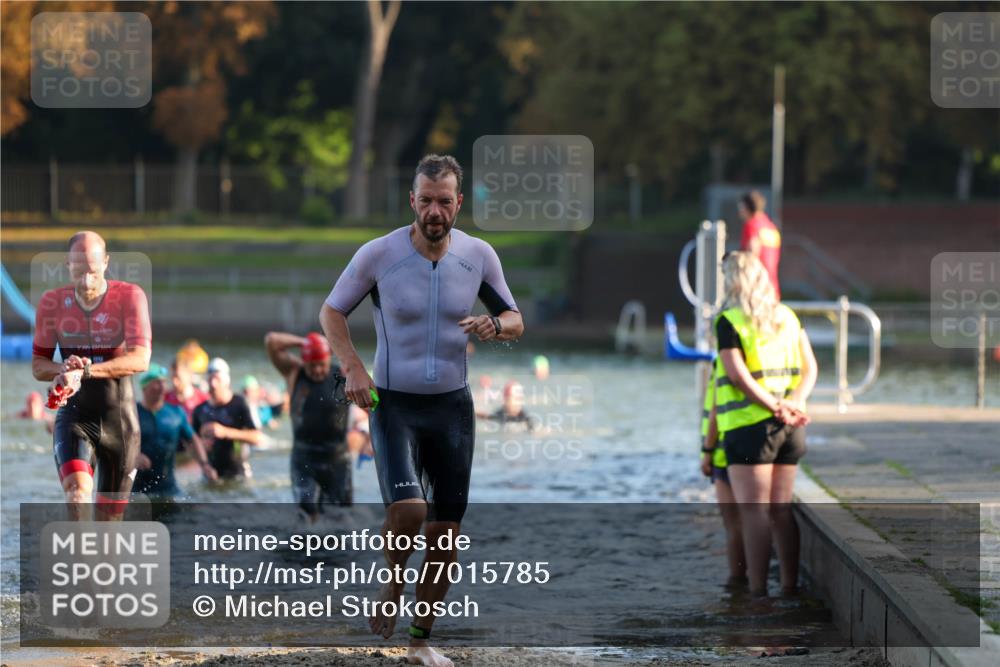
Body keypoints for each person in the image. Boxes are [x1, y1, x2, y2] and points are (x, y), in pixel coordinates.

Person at [320, 154, 524, 667]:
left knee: (445, 535)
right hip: (395, 405)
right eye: (426, 200)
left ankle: (419, 639)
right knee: (409, 511)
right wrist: (353, 367)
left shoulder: (478, 256)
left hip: (453, 409)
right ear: (412, 201)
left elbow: (515, 317)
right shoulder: (378, 254)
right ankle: (392, 582)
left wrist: (494, 326)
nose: (435, 210)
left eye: (445, 201)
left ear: (459, 204)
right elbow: (332, 310)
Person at [714, 251, 817, 597]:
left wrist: (775, 406)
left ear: (730, 282)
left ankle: (757, 594)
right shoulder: (787, 316)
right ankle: (790, 587)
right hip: (791, 428)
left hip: (749, 430)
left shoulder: (729, 321)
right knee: (781, 510)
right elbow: (810, 368)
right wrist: (794, 404)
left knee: (753, 513)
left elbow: (739, 378)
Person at [31, 231, 151, 520]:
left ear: (106, 263)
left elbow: (140, 359)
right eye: (80, 270)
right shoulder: (52, 303)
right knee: (76, 492)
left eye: (93, 272)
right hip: (75, 416)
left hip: (120, 422)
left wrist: (86, 371)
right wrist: (64, 370)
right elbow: (38, 365)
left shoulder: (130, 296)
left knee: (108, 524)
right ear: (67, 265)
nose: (86, 280)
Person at [265, 331, 354, 522]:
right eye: (311, 366)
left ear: (328, 358)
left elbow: (373, 404)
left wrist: (369, 436)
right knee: (307, 516)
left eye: (321, 365)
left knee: (341, 519)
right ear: (303, 362)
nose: (316, 371)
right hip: (304, 459)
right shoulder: (294, 372)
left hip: (337, 459)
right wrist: (305, 343)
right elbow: (272, 341)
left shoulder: (344, 375)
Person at [134, 364, 217, 498]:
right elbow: (116, 444)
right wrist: (132, 457)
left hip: (169, 489)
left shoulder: (176, 413)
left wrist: (205, 464)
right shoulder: (132, 413)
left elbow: (192, 440)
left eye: (163, 382)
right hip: (136, 491)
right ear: (145, 387)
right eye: (156, 383)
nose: (162, 387)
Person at [699, 359, 746, 588]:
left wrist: (707, 449)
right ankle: (772, 587)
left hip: (725, 450)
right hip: (762, 439)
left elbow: (717, 408)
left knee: (734, 525)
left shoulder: (725, 359)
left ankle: (738, 584)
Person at [190, 358, 261, 480]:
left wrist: (225, 432)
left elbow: (256, 437)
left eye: (217, 379)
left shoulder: (239, 404)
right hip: (210, 474)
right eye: (210, 379)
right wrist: (201, 446)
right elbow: (190, 444)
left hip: (238, 473)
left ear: (226, 381)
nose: (213, 384)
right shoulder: (200, 410)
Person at [738, 191, 782, 299]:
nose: (739, 212)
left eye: (741, 207)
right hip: (772, 288)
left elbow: (752, 254)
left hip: (756, 289)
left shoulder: (751, 224)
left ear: (747, 207)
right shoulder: (771, 227)